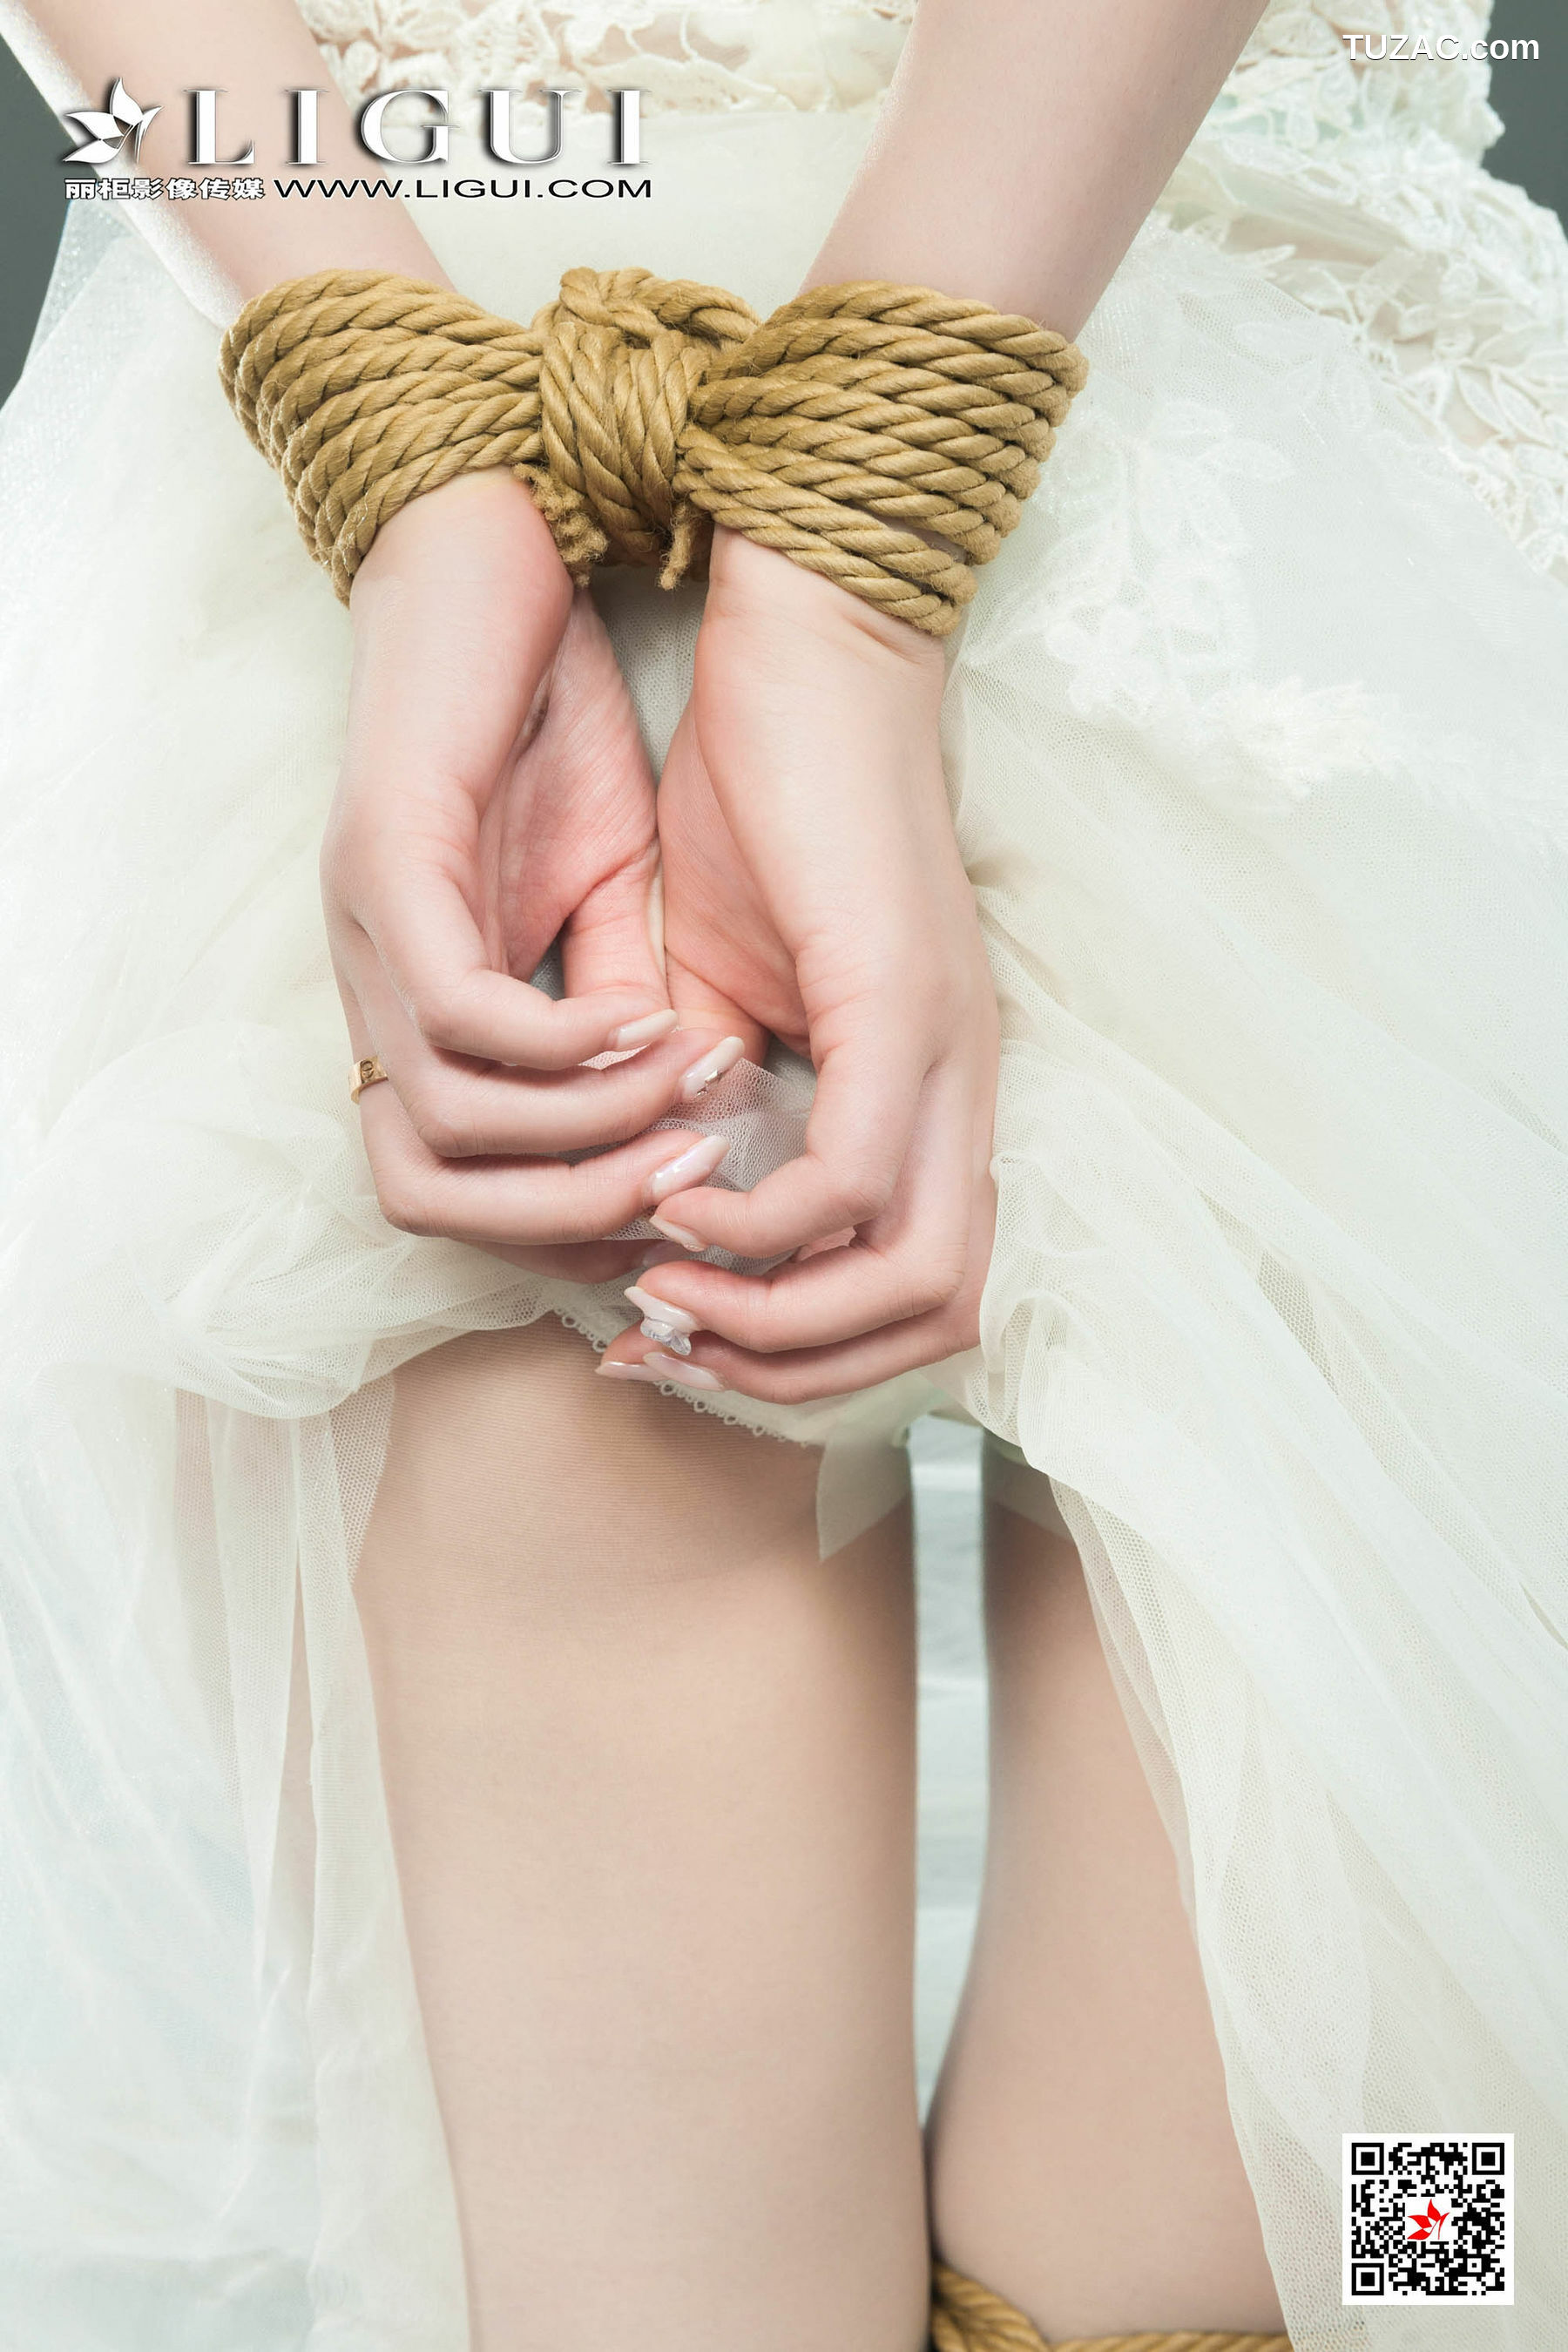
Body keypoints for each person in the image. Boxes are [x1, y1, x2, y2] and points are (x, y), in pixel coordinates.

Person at [0, 0, 1565, 2346]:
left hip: (428, 400)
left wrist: (405, 434)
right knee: (1376, 2198)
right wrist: (832, 534)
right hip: (1241, 507)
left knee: (669, 2267)